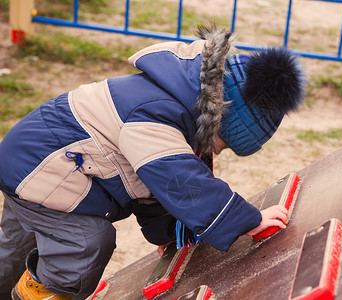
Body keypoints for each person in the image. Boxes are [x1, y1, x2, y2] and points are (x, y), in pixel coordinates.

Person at [0, 25, 305, 300]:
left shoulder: (173, 103)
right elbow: (178, 179)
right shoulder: (157, 114)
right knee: (85, 244)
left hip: (32, 162)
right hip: (42, 170)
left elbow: (152, 187)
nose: (219, 152)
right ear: (216, 121)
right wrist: (246, 220)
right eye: (223, 144)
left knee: (15, 248)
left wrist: (171, 234)